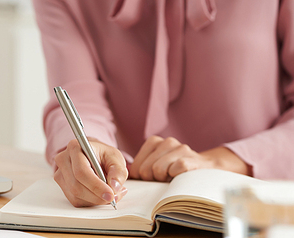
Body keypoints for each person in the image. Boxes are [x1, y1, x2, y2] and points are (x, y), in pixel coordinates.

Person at [33, 0, 294, 207]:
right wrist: (87, 147)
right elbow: (76, 97)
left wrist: (221, 162)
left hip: (263, 215)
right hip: (134, 212)